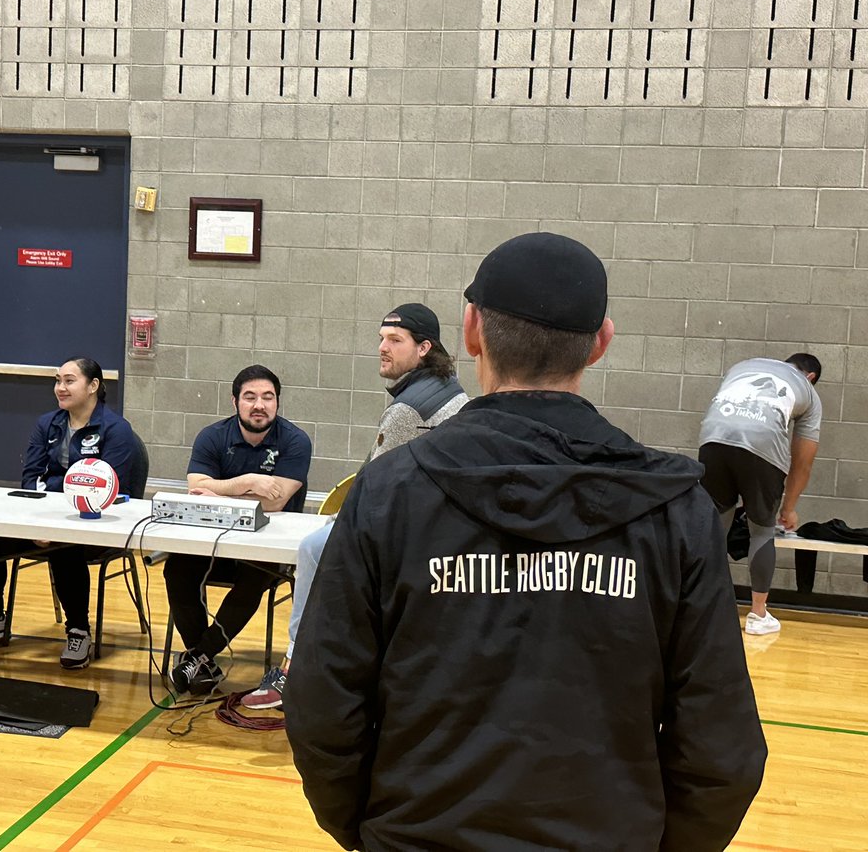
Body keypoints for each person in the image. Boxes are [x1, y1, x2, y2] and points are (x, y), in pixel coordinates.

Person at [287, 233, 767, 851]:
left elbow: (323, 701)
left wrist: (365, 828)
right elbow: (721, 742)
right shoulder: (679, 512)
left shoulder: (389, 492)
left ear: (470, 332)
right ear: (600, 343)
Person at [243, 303, 468, 710]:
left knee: (314, 548)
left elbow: (376, 489)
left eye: (394, 340)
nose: (382, 347)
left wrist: (339, 519)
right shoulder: (448, 387)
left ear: (423, 348)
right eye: (381, 338)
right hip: (436, 527)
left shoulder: (408, 408)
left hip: (411, 535)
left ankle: (296, 665)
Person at [0, 357, 136, 669]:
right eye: (58, 381)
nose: (60, 388)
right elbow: (30, 481)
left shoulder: (117, 430)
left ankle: (78, 630)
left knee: (63, 547)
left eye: (69, 381)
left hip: (96, 526)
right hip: (42, 519)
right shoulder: (47, 424)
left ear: (93, 386)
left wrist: (54, 490)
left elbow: (107, 489)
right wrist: (41, 518)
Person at [164, 364, 312, 696]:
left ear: (277, 402)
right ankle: (203, 661)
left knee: (255, 576)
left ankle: (198, 657)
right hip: (213, 541)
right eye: (250, 397)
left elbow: (274, 503)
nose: (259, 405)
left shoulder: (296, 441)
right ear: (235, 402)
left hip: (268, 546)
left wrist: (218, 490)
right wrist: (248, 482)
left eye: (268, 397)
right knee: (176, 569)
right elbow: (195, 487)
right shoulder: (212, 437)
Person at [699, 353, 822, 635]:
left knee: (714, 528)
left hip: (713, 439)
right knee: (762, 531)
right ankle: (758, 614)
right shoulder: (809, 394)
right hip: (762, 446)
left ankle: (704, 607)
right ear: (811, 378)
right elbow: (803, 461)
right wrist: (788, 508)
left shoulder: (743, 365)